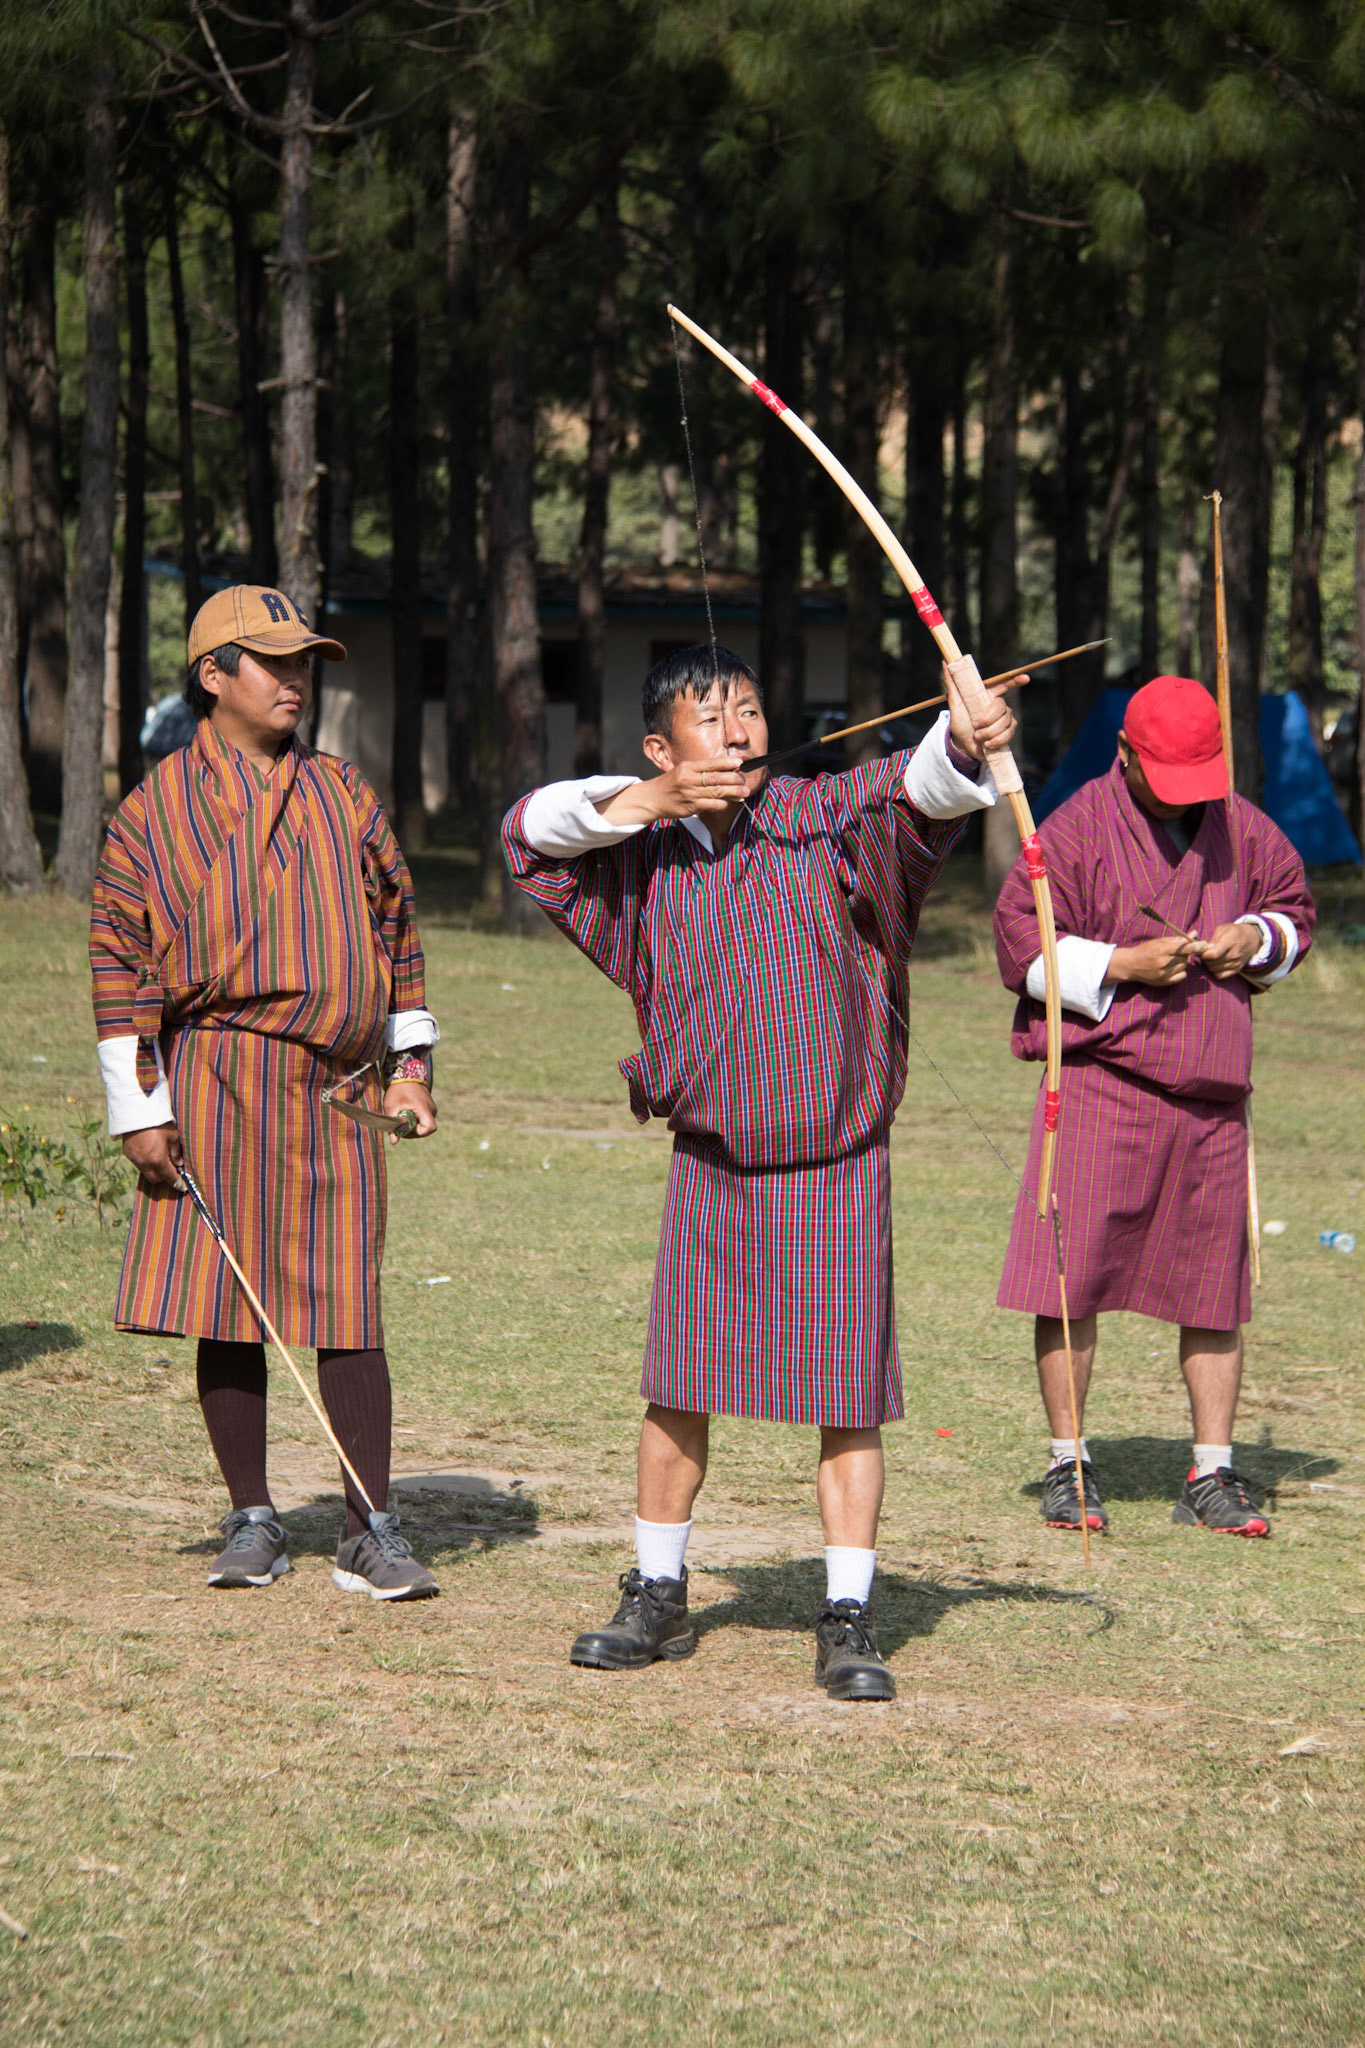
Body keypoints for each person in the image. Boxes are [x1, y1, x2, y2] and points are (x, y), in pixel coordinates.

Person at [502, 643, 1017, 1700]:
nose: (737, 732)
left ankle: (848, 1613)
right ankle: (656, 1590)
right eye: (710, 717)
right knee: (677, 1389)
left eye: (748, 709)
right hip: (715, 1162)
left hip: (836, 1158)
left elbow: (916, 793)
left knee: (848, 1398)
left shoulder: (823, 815)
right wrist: (641, 802)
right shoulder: (638, 852)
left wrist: (962, 740)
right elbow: (527, 833)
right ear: (660, 748)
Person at [90, 585, 441, 1600]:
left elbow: (399, 934)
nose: (296, 680)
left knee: (348, 1300)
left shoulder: (343, 792)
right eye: (274, 661)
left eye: (304, 663)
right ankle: (252, 1517)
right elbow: (119, 966)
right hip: (217, 1074)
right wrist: (142, 1110)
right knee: (230, 1300)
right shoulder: (152, 813)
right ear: (213, 674)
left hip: (338, 1084)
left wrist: (411, 1069)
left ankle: (370, 1528)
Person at [993, 673, 1315, 1538]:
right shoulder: (1072, 829)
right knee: (1069, 1280)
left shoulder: (1240, 826)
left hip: (1211, 1095)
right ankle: (1068, 1464)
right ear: (1125, 755)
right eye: (1165, 778)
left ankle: (1211, 1473)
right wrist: (1120, 964)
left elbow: (1293, 913)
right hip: (1102, 1085)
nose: (1182, 798)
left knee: (1215, 1290)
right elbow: (1021, 950)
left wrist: (1256, 938)